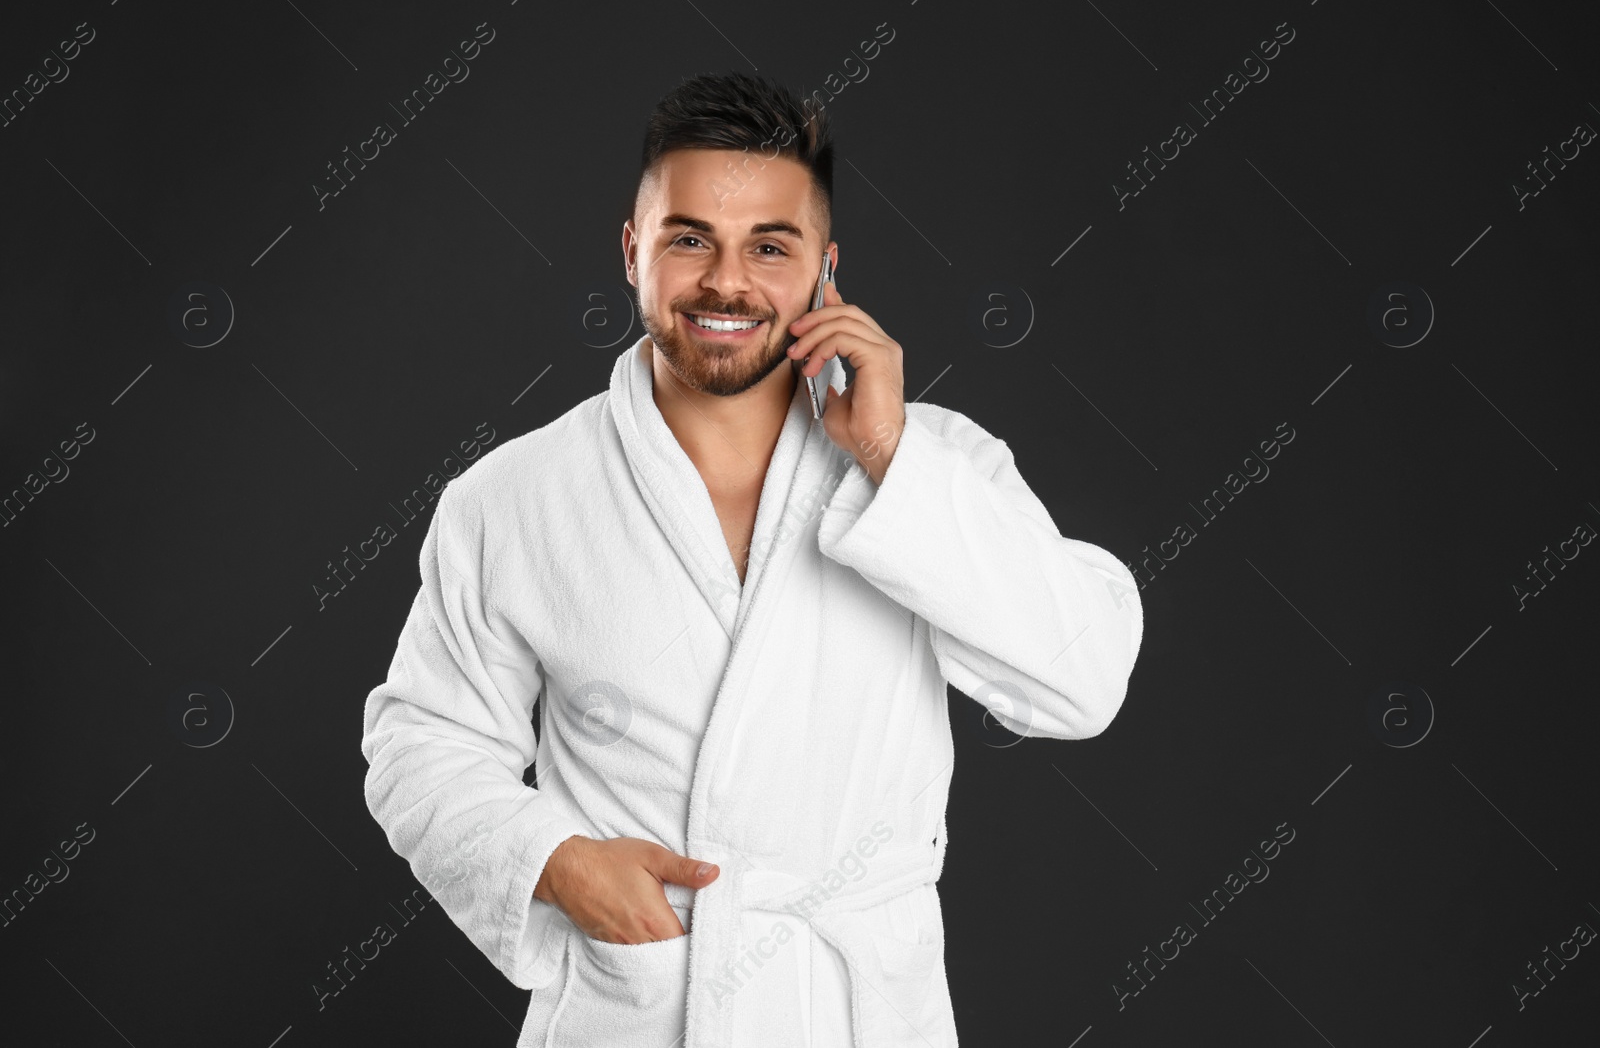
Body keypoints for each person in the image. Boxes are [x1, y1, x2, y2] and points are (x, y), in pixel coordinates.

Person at [360, 70, 1144, 1048]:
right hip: (639, 1008)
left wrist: (889, 460)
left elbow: (1085, 679)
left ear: (825, 269)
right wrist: (554, 861)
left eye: (769, 246)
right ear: (632, 250)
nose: (726, 281)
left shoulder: (932, 466)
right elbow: (421, 743)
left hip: (860, 1012)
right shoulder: (511, 499)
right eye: (690, 238)